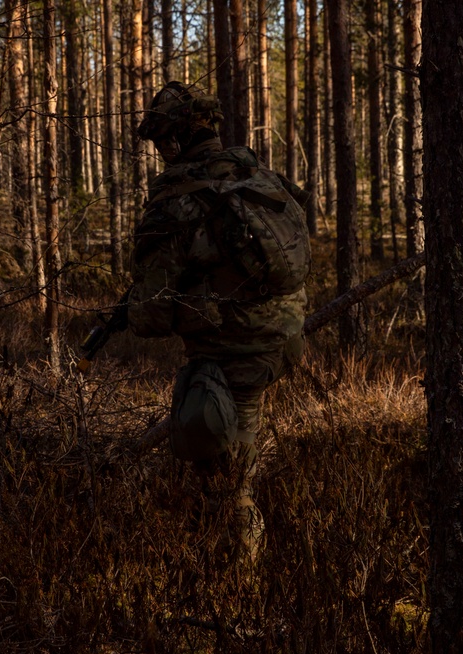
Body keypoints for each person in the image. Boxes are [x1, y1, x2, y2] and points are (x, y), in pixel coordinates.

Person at [128, 81, 309, 568]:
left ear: (172, 139)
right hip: (283, 339)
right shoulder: (250, 169)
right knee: (232, 454)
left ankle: (238, 593)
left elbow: (150, 315)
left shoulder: (175, 199)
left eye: (161, 141)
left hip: (231, 355)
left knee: (229, 480)